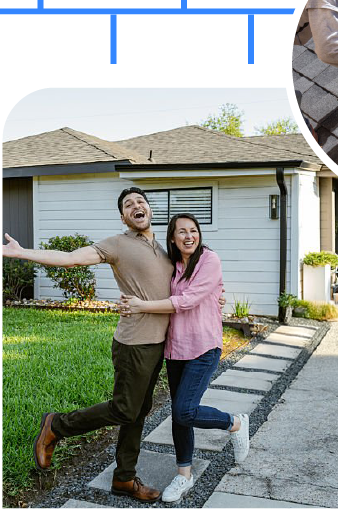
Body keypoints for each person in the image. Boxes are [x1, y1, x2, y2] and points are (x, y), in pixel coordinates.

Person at [2, 187, 177, 502]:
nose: (136, 206)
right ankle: (56, 425)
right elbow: (70, 259)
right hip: (134, 343)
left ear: (149, 209)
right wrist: (22, 252)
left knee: (138, 412)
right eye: (128, 204)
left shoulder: (164, 247)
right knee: (125, 409)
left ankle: (124, 478)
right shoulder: (115, 244)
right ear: (123, 216)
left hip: (158, 344)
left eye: (141, 201)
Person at [120, 213, 250, 503]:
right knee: (180, 417)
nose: (189, 236)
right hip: (176, 348)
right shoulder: (173, 265)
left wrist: (141, 306)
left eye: (193, 230)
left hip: (204, 347)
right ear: (172, 238)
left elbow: (188, 300)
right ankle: (184, 475)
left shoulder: (209, 260)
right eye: (182, 232)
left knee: (184, 411)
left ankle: (235, 423)